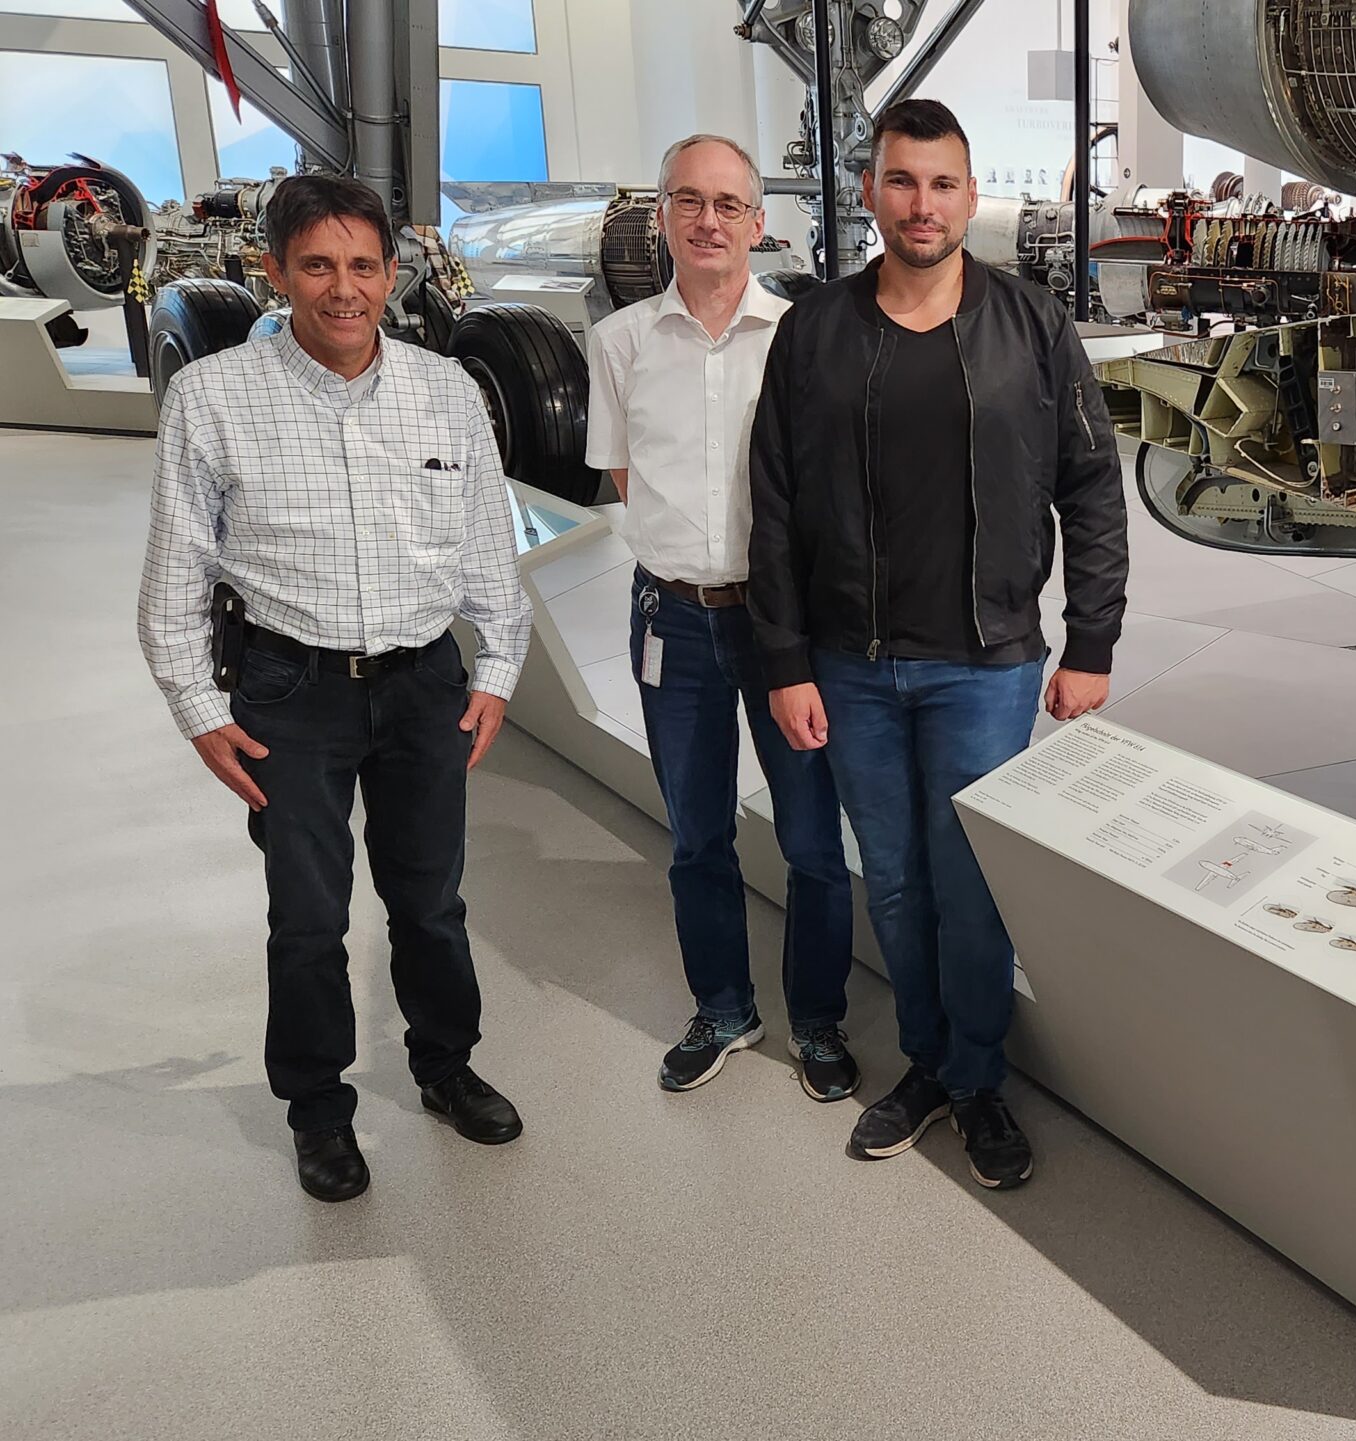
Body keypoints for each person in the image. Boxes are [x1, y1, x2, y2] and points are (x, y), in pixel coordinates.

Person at [748, 98, 1129, 1190]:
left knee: (969, 884)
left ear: (971, 196)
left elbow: (1092, 487)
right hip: (851, 665)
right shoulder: (814, 329)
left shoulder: (1031, 326)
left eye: (944, 183)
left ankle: (976, 1078)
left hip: (986, 663)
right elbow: (771, 502)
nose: (923, 204)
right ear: (870, 192)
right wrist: (782, 658)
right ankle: (925, 1062)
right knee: (901, 884)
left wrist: (1090, 639)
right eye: (903, 181)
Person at [137, 174, 532, 1202]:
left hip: (422, 688)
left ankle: (445, 1065)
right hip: (288, 687)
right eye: (317, 265)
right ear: (274, 272)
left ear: (392, 276)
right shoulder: (213, 396)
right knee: (308, 917)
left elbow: (491, 552)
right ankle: (319, 1109)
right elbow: (175, 575)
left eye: (363, 265)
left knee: (432, 902)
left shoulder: (445, 390)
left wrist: (494, 671)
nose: (343, 289)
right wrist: (200, 711)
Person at [585, 135, 858, 1101]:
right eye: (688, 201)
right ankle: (726, 1006)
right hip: (673, 623)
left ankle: (817, 1019)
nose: (708, 221)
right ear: (660, 213)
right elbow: (621, 473)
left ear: (758, 221)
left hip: (786, 629)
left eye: (728, 205)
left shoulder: (801, 338)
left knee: (813, 839)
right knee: (697, 833)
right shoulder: (619, 343)